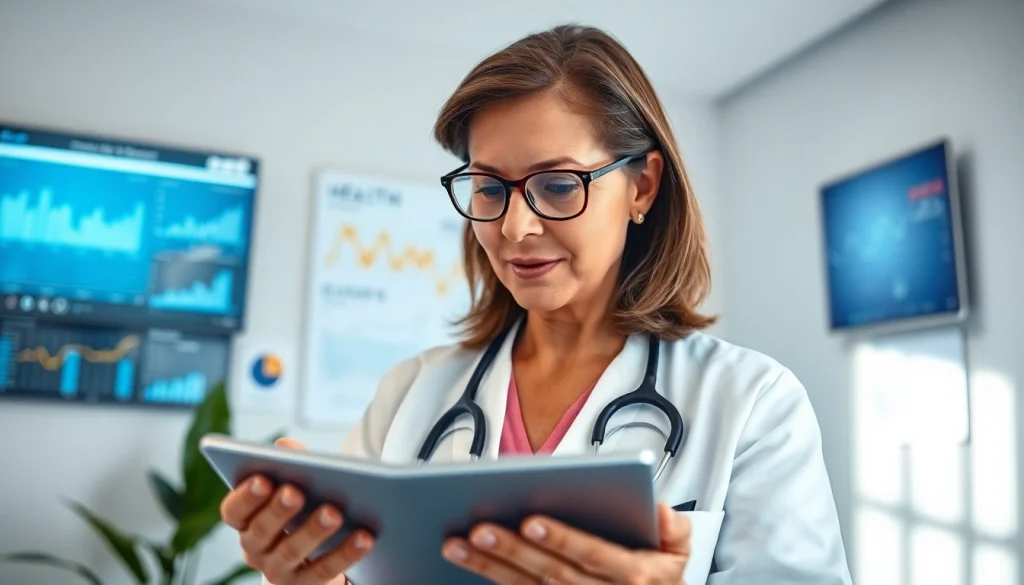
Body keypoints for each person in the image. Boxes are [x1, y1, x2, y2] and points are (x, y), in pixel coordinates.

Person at [219, 24, 852, 585]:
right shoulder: (410, 395)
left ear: (643, 186)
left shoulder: (752, 404)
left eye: (556, 185)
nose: (515, 226)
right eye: (490, 188)